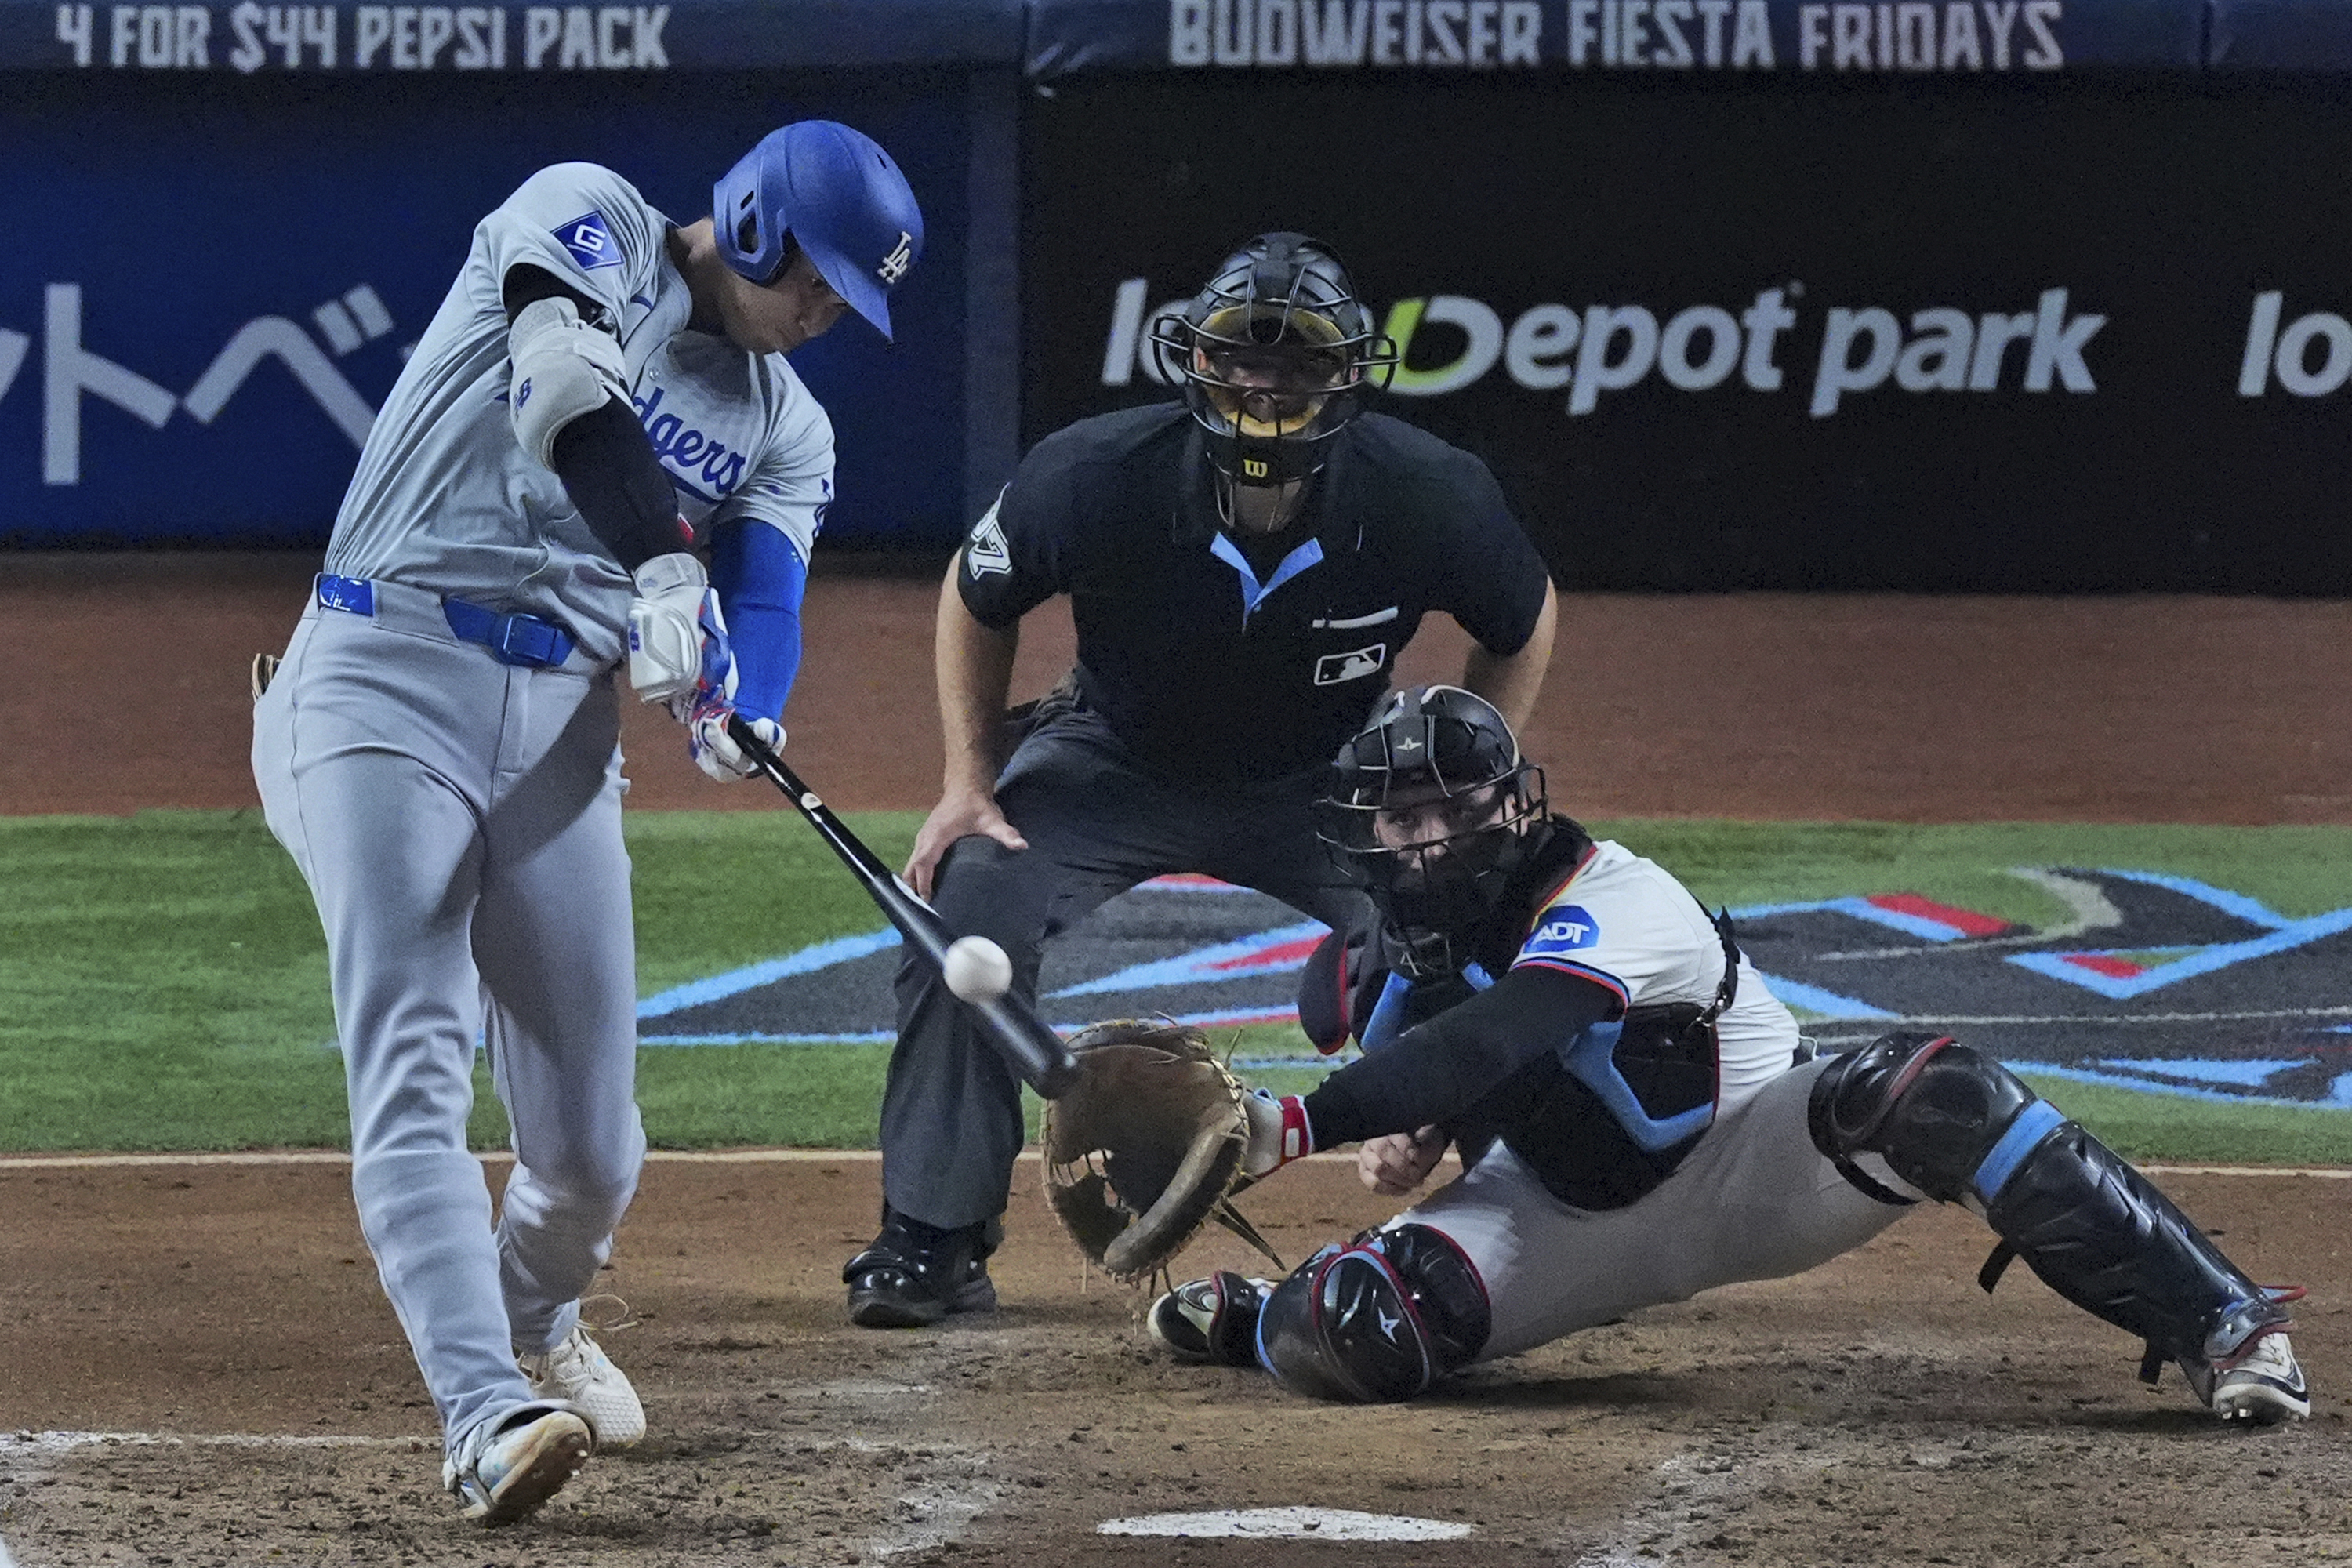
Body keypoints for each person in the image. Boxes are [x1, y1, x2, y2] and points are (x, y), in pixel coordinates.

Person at [251, 121, 924, 1521]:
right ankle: (483, 1414)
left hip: (558, 731)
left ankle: (530, 1326)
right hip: (384, 675)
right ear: (752, 223)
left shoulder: (789, 426)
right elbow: (564, 388)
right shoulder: (589, 215)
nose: (820, 318)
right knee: (415, 1053)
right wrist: (663, 573)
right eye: (817, 282)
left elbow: (770, 601)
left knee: (591, 1151)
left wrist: (740, 701)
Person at [1146, 684, 2311, 1426]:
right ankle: (1261, 1317)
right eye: (1400, 821)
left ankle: (2228, 1325)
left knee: (1934, 1089)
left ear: (1511, 806)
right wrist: (1416, 1137)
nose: (1426, 838)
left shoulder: (1619, 896)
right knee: (1352, 1328)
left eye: (1452, 807)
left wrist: (1299, 1125)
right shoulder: (1400, 948)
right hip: (1558, 1218)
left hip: (1758, 1164)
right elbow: (1437, 1065)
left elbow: (1515, 1029)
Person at [844, 233, 1561, 1328]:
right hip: (1112, 758)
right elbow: (975, 595)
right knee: (966, 902)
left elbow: (1525, 616)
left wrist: (1472, 783)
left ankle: (1514, 1229)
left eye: (1299, 360)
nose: (1266, 384)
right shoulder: (1093, 474)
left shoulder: (1429, 495)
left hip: (1327, 778)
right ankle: (933, 1235)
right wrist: (966, 781)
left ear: (1349, 373)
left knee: (1465, 920)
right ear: (1196, 362)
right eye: (1243, 357)